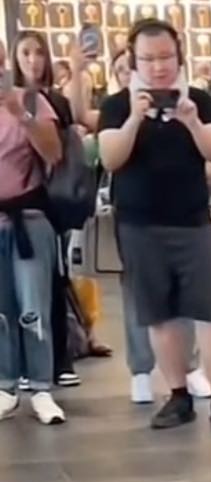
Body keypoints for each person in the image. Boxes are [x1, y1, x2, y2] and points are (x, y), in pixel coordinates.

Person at [98, 19, 211, 428]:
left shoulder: (202, 101)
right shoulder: (117, 105)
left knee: (210, 312)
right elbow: (111, 159)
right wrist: (135, 119)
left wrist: (190, 120)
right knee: (160, 314)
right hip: (139, 224)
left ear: (179, 57)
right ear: (133, 61)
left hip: (192, 220)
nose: (158, 67)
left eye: (165, 58)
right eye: (148, 59)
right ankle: (177, 395)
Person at [68, 45, 210, 404]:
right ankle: (142, 370)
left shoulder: (181, 105)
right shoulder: (118, 107)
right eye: (123, 70)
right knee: (139, 296)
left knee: (187, 296)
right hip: (135, 217)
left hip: (184, 214)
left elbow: (205, 155)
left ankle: (190, 366)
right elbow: (85, 117)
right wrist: (78, 72)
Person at [12, 30, 81, 389]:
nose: (33, 60)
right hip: (16, 203)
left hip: (48, 198)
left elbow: (59, 150)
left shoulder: (50, 101)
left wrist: (81, 72)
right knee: (16, 291)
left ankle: (56, 360)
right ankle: (19, 366)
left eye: (39, 53)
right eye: (26, 53)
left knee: (52, 279)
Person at [0, 36, 64, 423]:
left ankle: (41, 387)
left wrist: (19, 113)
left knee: (33, 307)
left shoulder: (28, 99)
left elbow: (53, 152)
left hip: (29, 216)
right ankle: (5, 385)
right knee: (0, 310)